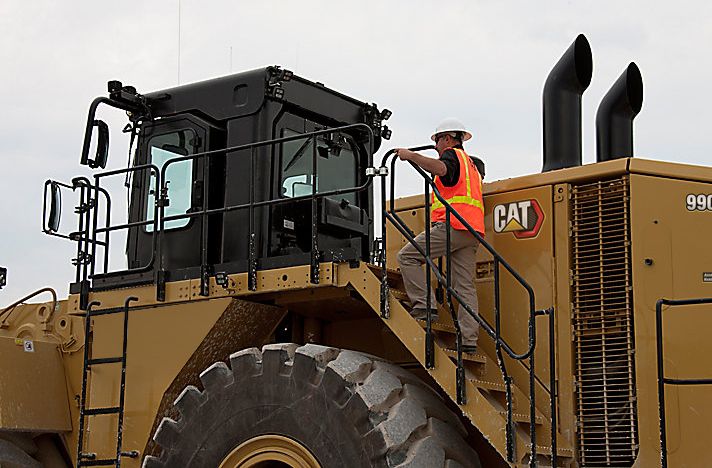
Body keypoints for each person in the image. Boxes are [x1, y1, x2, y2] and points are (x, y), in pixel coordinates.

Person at [395, 119, 484, 354]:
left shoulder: (452, 156)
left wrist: (411, 156)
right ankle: (468, 340)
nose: (435, 146)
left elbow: (441, 169)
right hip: (472, 232)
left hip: (453, 226)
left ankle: (424, 307)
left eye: (436, 141)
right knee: (465, 287)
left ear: (446, 138)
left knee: (407, 257)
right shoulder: (471, 165)